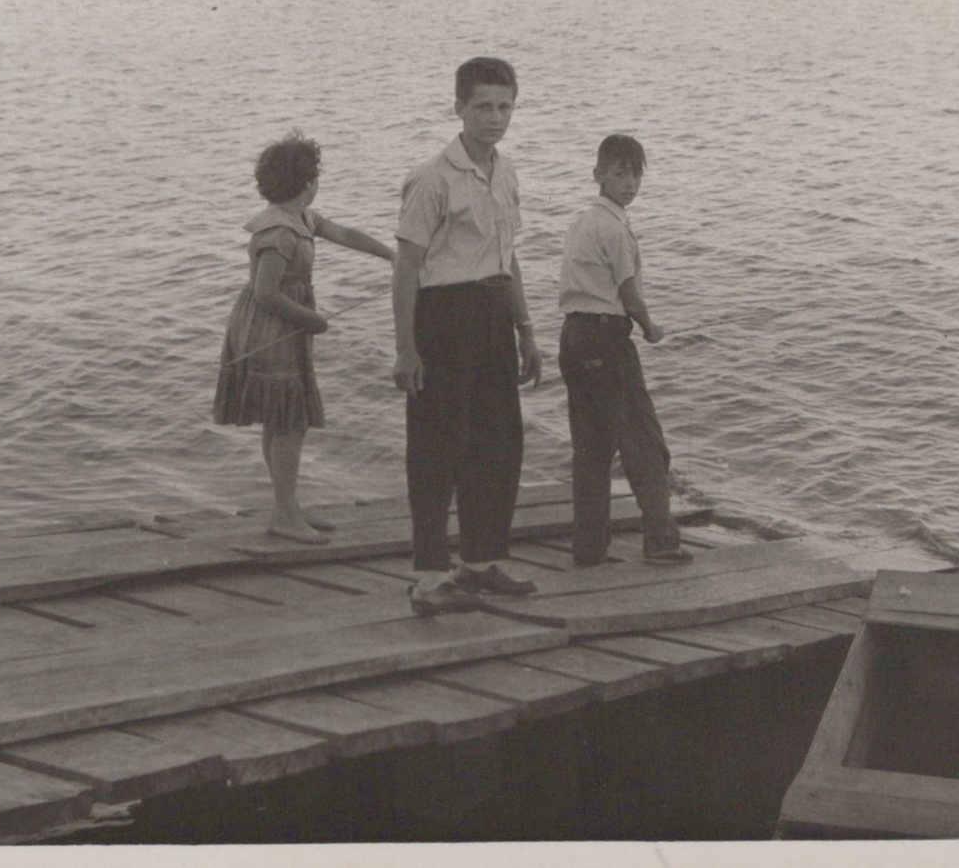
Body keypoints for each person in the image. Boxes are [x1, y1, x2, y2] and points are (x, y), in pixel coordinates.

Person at [393, 57, 543, 616]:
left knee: (498, 443)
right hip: (444, 316)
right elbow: (406, 268)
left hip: (494, 314)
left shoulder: (506, 172)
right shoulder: (432, 177)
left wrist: (526, 330)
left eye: (504, 107)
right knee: (438, 446)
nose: (494, 118)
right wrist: (406, 348)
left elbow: (508, 257)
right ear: (459, 108)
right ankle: (429, 578)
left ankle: (480, 562)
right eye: (483, 107)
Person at [215, 131, 394, 543]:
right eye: (315, 175)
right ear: (305, 183)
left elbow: (344, 234)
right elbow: (266, 292)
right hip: (270, 325)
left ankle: (288, 504)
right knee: (289, 420)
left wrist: (391, 255)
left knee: (280, 419)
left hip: (282, 323)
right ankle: (283, 513)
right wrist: (311, 319)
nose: (318, 182)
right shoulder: (279, 232)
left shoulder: (303, 218)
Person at [557, 134, 693, 568]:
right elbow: (628, 291)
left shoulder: (581, 221)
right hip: (605, 337)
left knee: (591, 449)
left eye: (636, 175)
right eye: (620, 173)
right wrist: (650, 327)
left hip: (573, 336)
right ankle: (661, 542)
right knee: (643, 441)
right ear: (598, 174)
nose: (630, 183)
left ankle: (589, 548)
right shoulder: (614, 228)